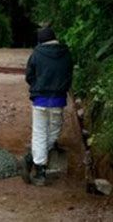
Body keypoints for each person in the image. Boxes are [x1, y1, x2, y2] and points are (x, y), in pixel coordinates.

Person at [22, 26, 73, 186]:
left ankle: (39, 169)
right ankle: (34, 159)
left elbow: (29, 76)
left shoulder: (36, 54)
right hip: (58, 100)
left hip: (40, 100)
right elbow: (70, 75)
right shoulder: (67, 54)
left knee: (39, 133)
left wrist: (37, 86)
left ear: (40, 41)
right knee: (53, 132)